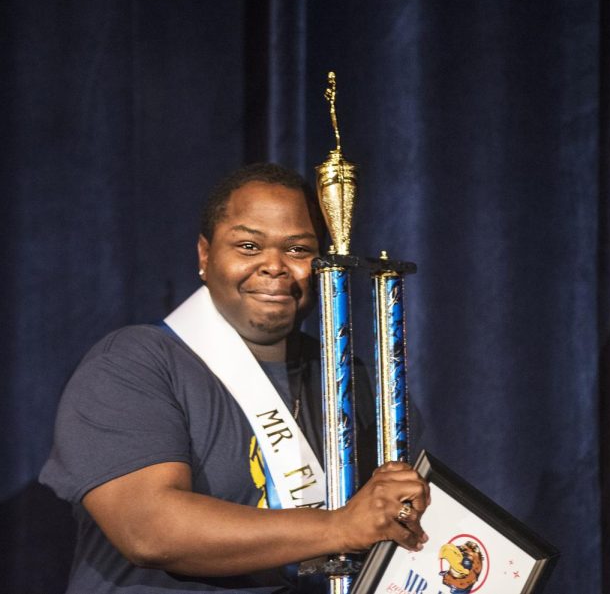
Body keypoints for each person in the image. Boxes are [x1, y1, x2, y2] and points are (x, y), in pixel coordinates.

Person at [40, 163, 430, 593]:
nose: (275, 267)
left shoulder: (355, 383)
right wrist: (338, 528)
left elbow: (406, 521)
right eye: (248, 245)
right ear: (205, 256)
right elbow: (149, 531)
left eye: (298, 250)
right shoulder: (135, 363)